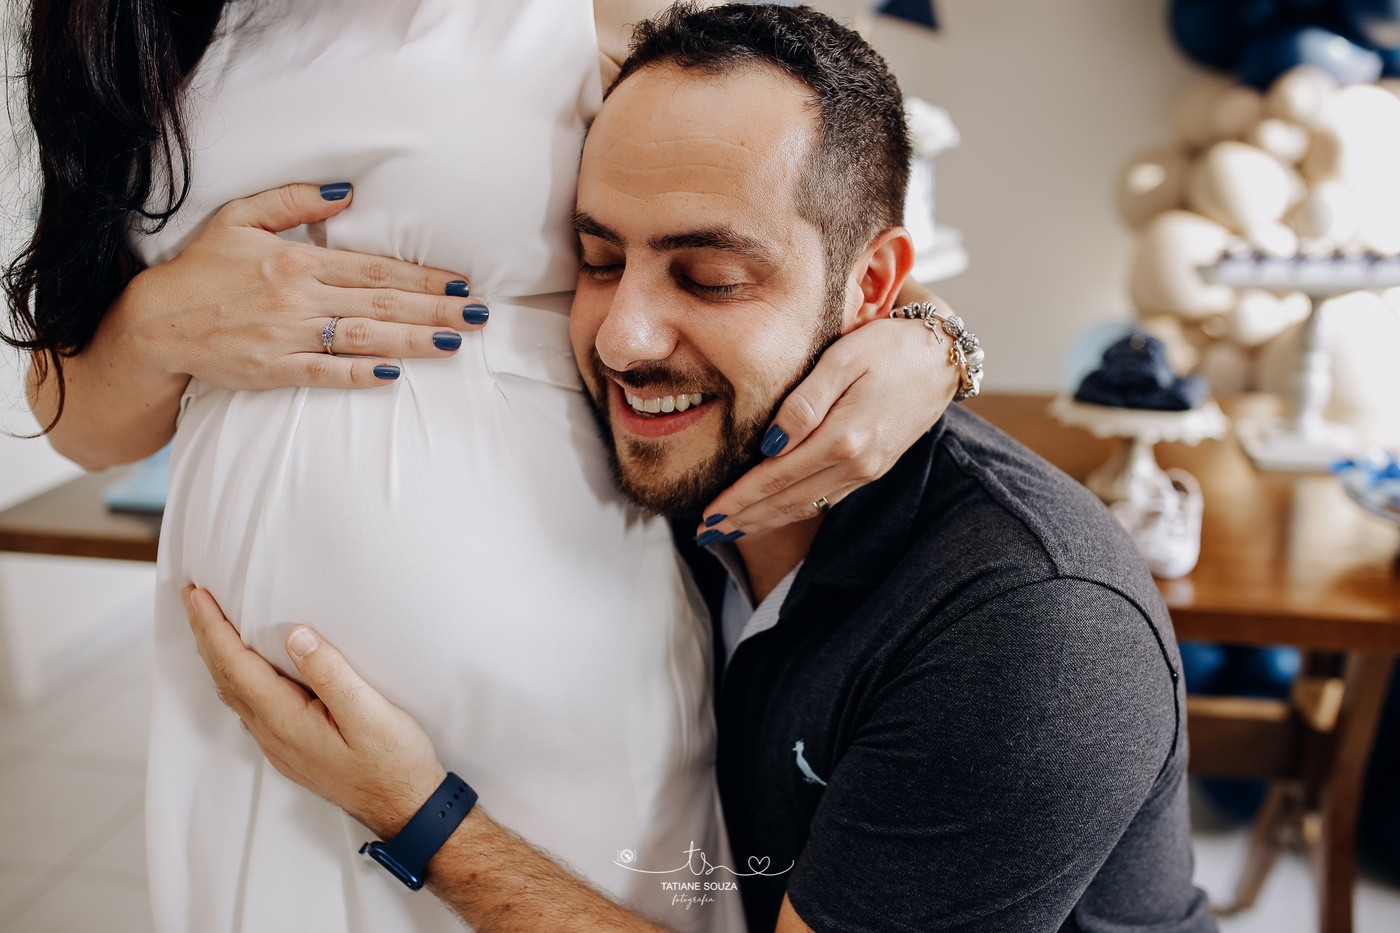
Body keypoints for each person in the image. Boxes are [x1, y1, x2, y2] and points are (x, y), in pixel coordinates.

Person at [184, 5, 1218, 932]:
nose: (622, 338)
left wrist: (416, 817)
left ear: (872, 287)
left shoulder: (1033, 635)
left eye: (710, 277)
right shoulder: (680, 465)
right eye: (597, 261)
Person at [4, 1, 960, 931]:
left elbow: (801, 226)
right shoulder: (118, 27)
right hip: (248, 712)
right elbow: (79, 423)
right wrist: (156, 323)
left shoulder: (587, 11)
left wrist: (937, 341)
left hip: (554, 667)